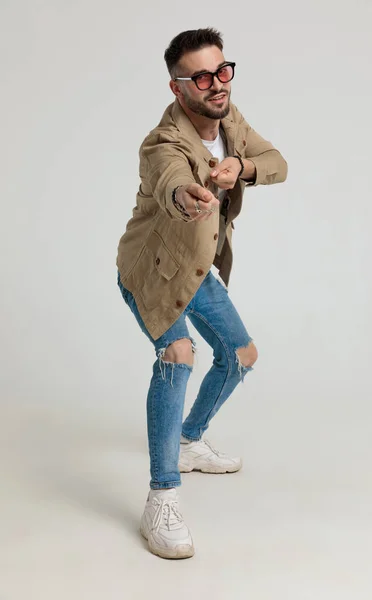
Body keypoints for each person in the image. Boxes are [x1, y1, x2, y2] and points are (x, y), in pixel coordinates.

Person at [116, 27, 287, 559]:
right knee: (178, 355)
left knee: (240, 356)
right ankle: (162, 495)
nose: (218, 84)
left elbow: (278, 161)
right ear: (177, 87)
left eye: (223, 70)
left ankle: (188, 440)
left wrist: (245, 167)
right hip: (150, 270)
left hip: (194, 270)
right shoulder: (161, 141)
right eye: (203, 77)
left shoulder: (228, 118)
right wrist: (184, 195)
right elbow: (168, 176)